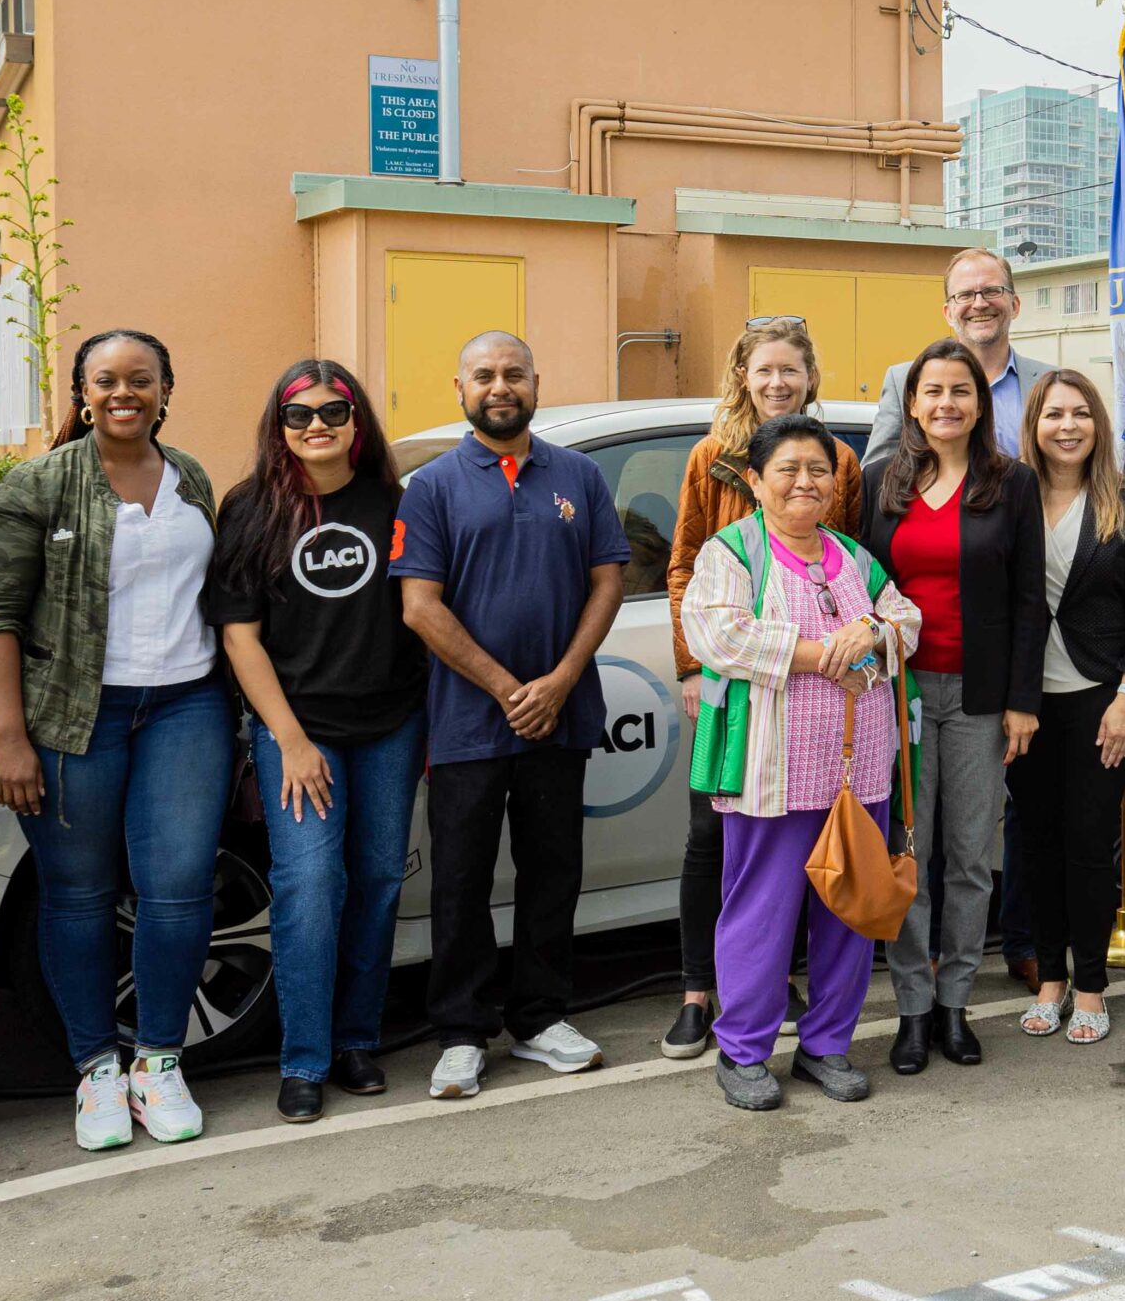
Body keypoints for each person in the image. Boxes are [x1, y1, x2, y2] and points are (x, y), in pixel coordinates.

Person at [0, 329, 231, 1151]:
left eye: (141, 379)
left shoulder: (191, 476)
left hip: (188, 704)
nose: (124, 392)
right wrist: (10, 735)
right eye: (106, 380)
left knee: (180, 885)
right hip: (76, 716)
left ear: (164, 388)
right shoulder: (41, 483)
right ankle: (95, 1069)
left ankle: (157, 1060)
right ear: (83, 393)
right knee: (75, 892)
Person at [395, 331, 629, 1099]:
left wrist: (559, 681)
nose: (501, 385)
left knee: (552, 869)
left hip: (560, 716)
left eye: (515, 373)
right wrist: (508, 689)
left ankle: (539, 1017)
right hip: (468, 723)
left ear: (536, 382)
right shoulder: (429, 488)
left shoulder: (581, 476)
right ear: (459, 387)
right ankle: (460, 1031)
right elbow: (420, 609)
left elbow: (607, 582)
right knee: (460, 879)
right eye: (485, 375)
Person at [681, 413, 921, 1108]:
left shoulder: (854, 556)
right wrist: (825, 655)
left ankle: (826, 1046)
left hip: (858, 768)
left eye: (817, 469)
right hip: (770, 772)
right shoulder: (732, 552)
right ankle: (745, 1051)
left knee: (848, 910)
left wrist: (871, 632)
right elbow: (717, 634)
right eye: (786, 469)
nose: (804, 482)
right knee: (761, 911)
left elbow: (906, 621)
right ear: (755, 481)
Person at [211, 360, 427, 1121]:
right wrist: (291, 740)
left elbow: (422, 613)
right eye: (298, 415)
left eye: (332, 411)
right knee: (307, 884)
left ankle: (355, 1040)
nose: (316, 426)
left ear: (357, 420)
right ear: (279, 428)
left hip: (391, 725)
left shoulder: (398, 503)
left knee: (376, 879)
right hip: (298, 731)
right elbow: (241, 639)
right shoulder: (250, 509)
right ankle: (303, 1058)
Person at [658, 319, 866, 1057]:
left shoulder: (837, 457)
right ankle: (697, 991)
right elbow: (681, 565)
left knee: (804, 845)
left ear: (810, 375)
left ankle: (780, 985)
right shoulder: (713, 456)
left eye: (791, 370)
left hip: (816, 696)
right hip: (732, 681)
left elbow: (853, 564)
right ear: (742, 375)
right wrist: (691, 664)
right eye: (764, 370)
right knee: (716, 838)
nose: (777, 382)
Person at [867, 248, 1053, 987]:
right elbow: (863, 584)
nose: (947, 403)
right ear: (912, 403)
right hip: (900, 694)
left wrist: (1021, 703)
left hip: (980, 698)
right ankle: (913, 1002)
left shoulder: (1013, 484)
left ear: (980, 405)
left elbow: (1029, 600)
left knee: (974, 856)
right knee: (910, 848)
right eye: (932, 392)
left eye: (961, 392)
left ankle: (954, 999)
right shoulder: (882, 482)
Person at [1009, 371, 1125, 1042]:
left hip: (1101, 701)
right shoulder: (1009, 497)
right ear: (1035, 425)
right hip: (1022, 705)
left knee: (1088, 847)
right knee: (1035, 844)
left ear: (1099, 425)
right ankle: (1050, 976)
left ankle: (1093, 985)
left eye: (1080, 413)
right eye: (1054, 414)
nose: (1067, 425)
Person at [866, 247, 1056, 463]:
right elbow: (876, 475)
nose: (979, 304)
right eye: (965, 295)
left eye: (992, 291)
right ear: (948, 313)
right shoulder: (903, 381)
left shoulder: (1050, 382)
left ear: (1014, 305)